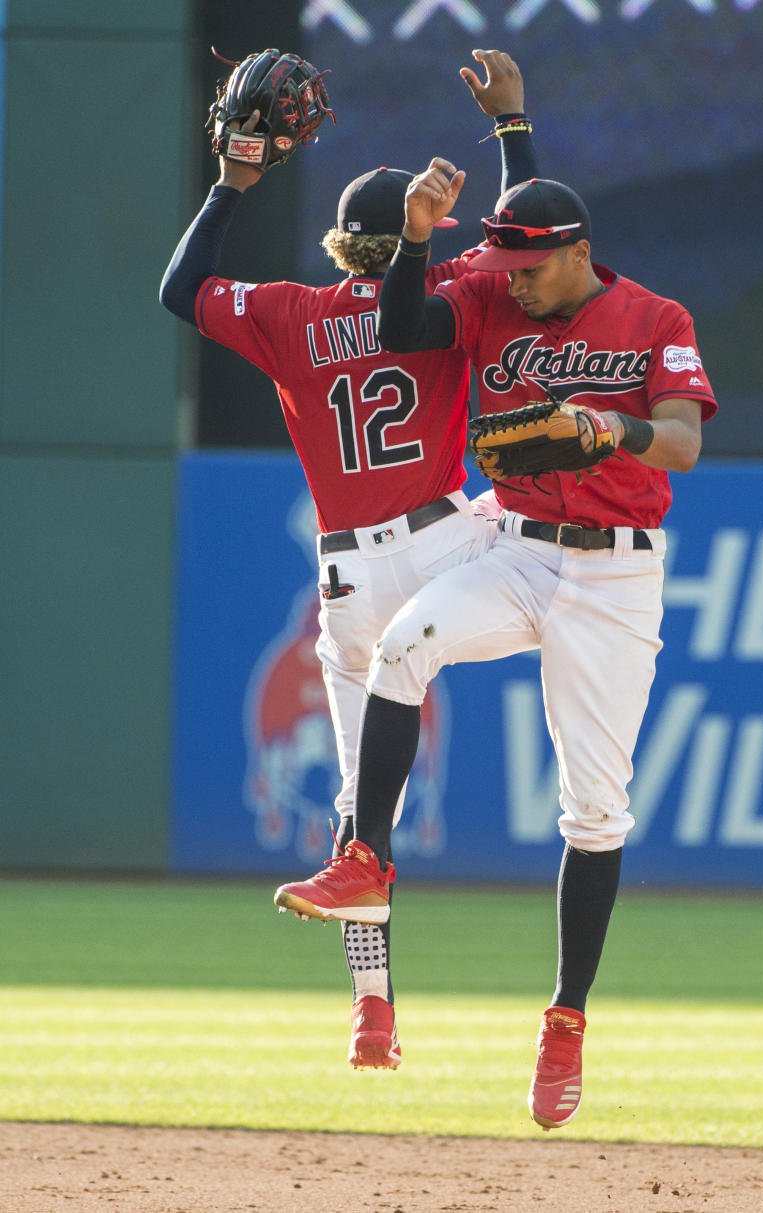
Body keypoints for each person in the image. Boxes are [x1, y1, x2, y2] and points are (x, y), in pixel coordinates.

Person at [274, 162, 718, 1128]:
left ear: (578, 254)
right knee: (400, 645)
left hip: (614, 575)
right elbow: (402, 328)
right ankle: (367, 859)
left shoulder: (655, 319)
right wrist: (425, 236)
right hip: (517, 545)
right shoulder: (486, 296)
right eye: (503, 261)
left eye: (529, 265)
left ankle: (565, 1019)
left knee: (595, 812)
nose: (511, 279)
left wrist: (607, 427)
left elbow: (681, 441)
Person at [160, 49, 537, 1073]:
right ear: (407, 238)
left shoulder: (290, 312)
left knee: (360, 810)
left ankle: (375, 1010)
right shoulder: (447, 288)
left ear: (340, 244)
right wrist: (510, 130)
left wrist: (234, 182)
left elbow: (180, 288)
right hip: (447, 542)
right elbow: (523, 243)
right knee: (550, 518)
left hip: (348, 583)